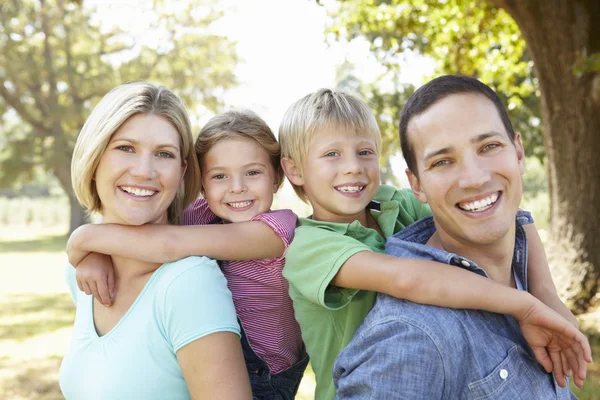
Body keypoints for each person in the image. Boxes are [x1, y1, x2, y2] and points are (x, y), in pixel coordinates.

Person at [277, 88, 589, 400]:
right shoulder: (310, 246)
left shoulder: (392, 205)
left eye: (365, 152)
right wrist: (524, 305)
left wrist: (547, 295)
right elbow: (409, 278)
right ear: (294, 169)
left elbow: (506, 214)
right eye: (332, 154)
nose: (353, 167)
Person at [65, 110, 308, 399]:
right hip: (207, 357)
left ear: (277, 178)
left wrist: (84, 239)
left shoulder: (276, 232)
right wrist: (96, 254)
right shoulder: (200, 215)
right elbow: (144, 236)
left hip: (265, 380)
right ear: (201, 184)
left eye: (253, 172)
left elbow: (168, 245)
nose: (237, 187)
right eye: (219, 176)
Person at [59, 82, 252, 400]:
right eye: (125, 148)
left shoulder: (187, 283)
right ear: (94, 159)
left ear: (181, 171)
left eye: (164, 154)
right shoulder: (82, 273)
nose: (144, 170)